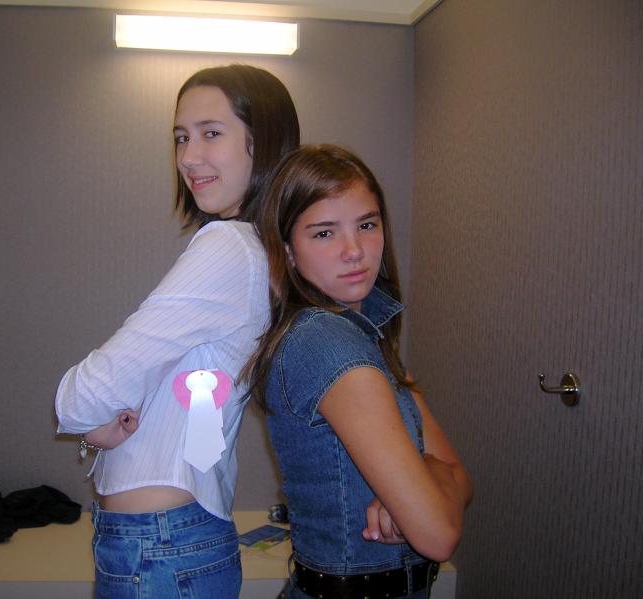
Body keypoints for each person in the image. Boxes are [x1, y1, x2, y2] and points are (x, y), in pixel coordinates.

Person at [54, 64, 300, 599]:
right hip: (171, 539)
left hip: (161, 545)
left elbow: (81, 398)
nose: (189, 157)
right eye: (181, 137)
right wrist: (98, 425)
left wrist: (87, 416)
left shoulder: (228, 247)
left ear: (264, 143)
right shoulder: (259, 250)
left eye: (211, 133)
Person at [244, 144, 473, 599]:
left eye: (367, 225)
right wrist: (427, 489)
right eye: (324, 233)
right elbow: (439, 534)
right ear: (288, 251)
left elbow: (457, 472)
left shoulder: (367, 337)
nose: (355, 251)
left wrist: (427, 478)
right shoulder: (327, 343)